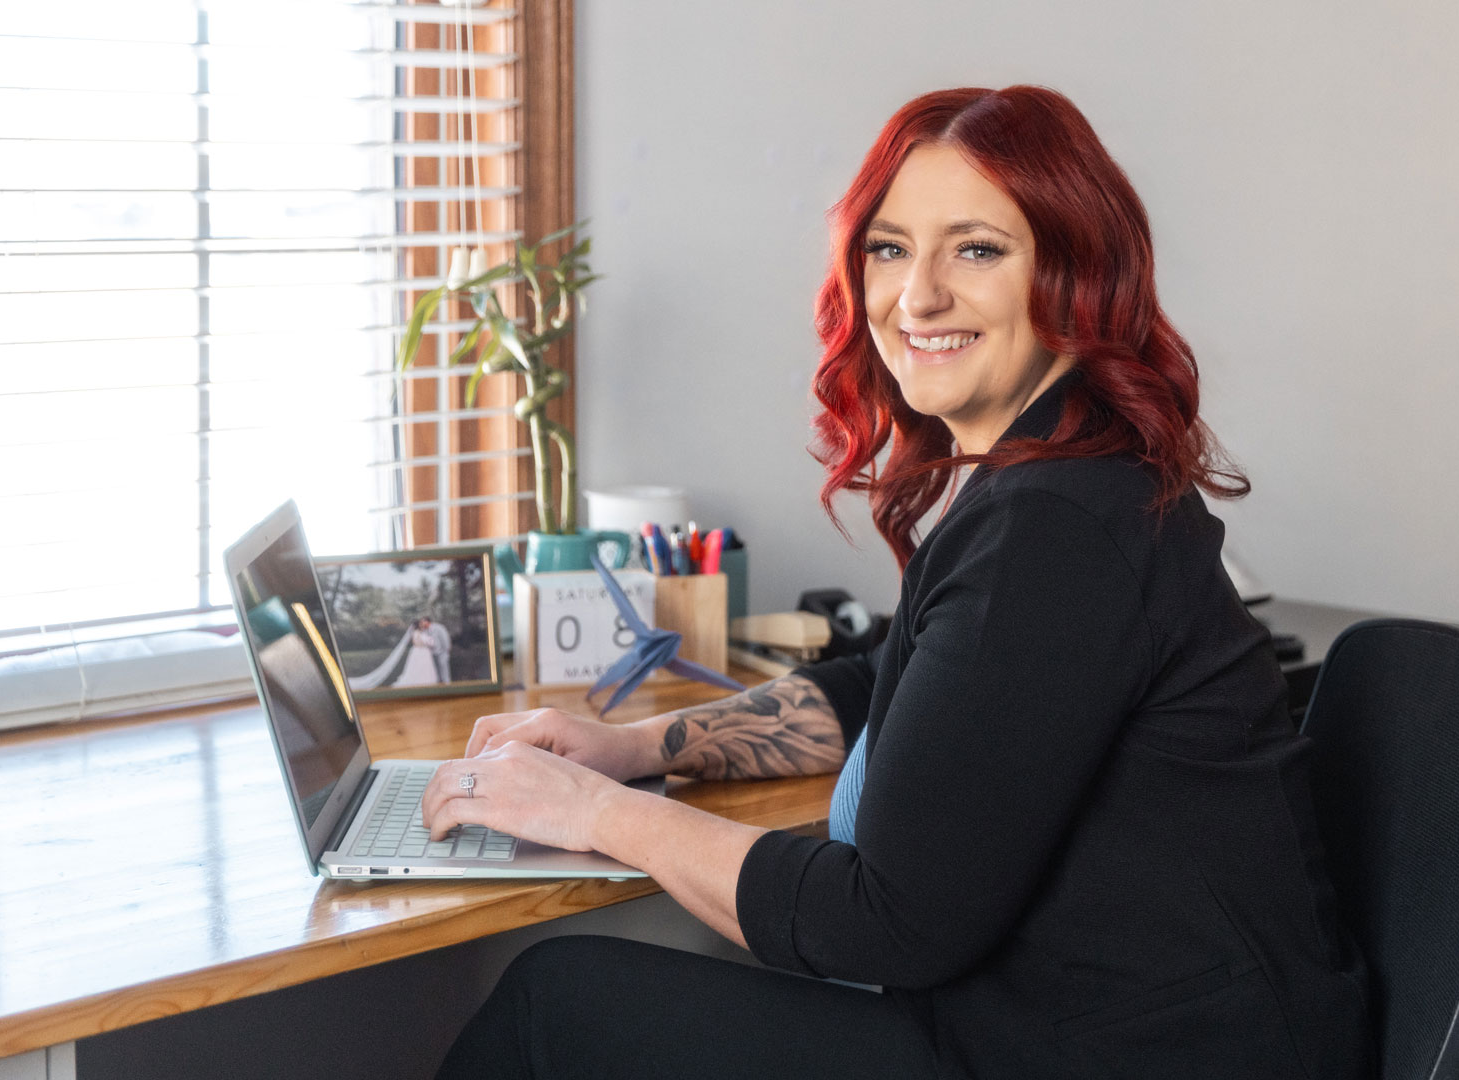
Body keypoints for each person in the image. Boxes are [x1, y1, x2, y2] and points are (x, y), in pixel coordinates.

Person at [422, 85, 1372, 1080]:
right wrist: (631, 746)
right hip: (1086, 1022)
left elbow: (886, 924)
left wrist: (594, 813)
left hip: (1134, 1053)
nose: (917, 296)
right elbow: (885, 683)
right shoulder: (1053, 467)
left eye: (977, 248)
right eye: (889, 247)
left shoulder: (1055, 525)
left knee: (556, 1005)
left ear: (1076, 273)